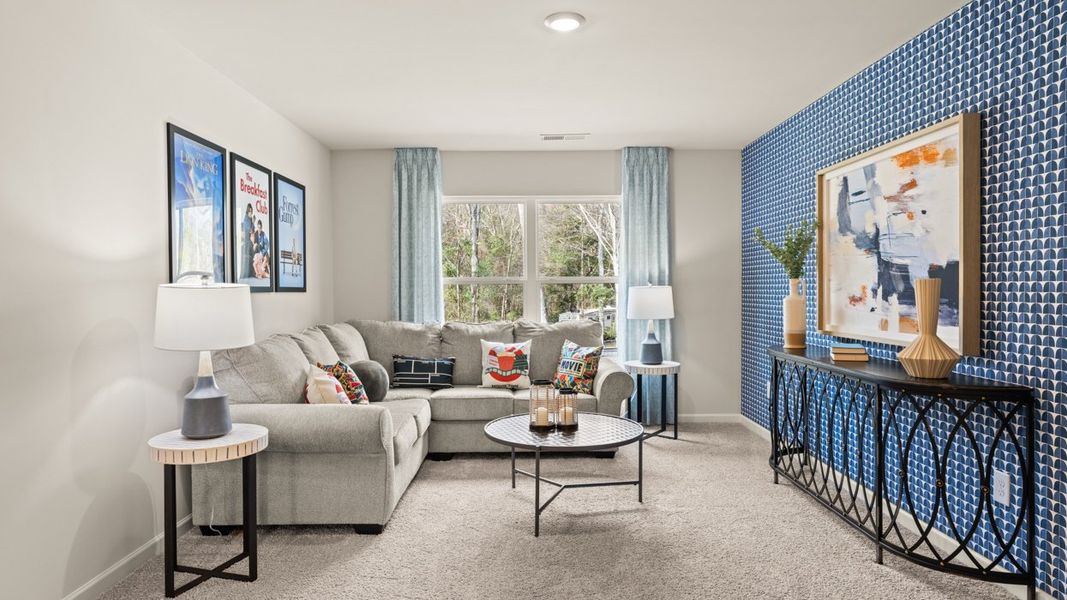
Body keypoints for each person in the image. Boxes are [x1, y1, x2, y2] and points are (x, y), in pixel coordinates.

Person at [240, 203, 254, 280]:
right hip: (246, 241)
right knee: (246, 256)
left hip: (248, 241)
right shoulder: (246, 219)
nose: (250, 213)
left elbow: (252, 230)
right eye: (249, 211)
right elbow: (250, 230)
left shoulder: (250, 219)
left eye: (251, 211)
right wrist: (252, 222)